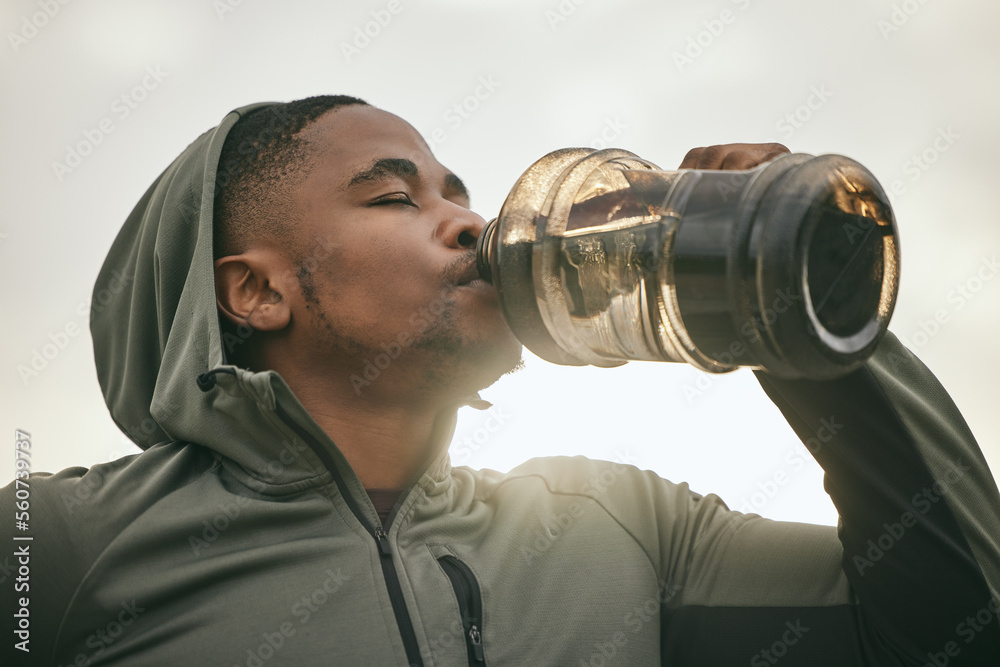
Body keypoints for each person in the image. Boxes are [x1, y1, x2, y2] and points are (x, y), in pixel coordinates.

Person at [3, 95, 999, 666]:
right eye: (394, 195)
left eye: (460, 191)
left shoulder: (625, 527)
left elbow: (955, 626)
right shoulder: (59, 545)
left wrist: (805, 329)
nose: (472, 225)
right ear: (257, 290)